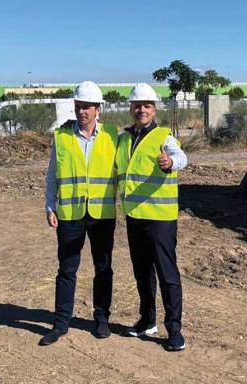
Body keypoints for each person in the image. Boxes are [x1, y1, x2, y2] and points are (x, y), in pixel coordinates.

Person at [39, 81, 119, 346]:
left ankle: (101, 318)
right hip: (70, 215)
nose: (81, 111)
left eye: (87, 107)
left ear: (98, 110)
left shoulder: (112, 136)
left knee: (103, 267)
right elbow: (52, 176)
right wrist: (50, 205)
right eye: (78, 106)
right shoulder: (61, 137)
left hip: (102, 215)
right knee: (67, 269)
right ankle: (61, 323)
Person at [116, 82, 189, 352]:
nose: (141, 110)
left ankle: (175, 330)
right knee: (142, 273)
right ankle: (147, 321)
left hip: (160, 219)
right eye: (137, 106)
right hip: (134, 217)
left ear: (153, 109)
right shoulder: (123, 139)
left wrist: (171, 163)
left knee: (167, 275)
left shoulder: (164, 137)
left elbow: (181, 156)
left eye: (146, 105)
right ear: (131, 108)